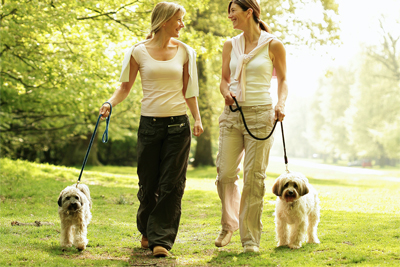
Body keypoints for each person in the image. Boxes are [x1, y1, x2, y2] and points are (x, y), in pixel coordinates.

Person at [99, 2, 203, 258]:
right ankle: (147, 228)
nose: (182, 24)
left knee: (171, 184)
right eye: (179, 19)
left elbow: (190, 90)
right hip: (150, 126)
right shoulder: (137, 52)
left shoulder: (186, 51)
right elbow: (124, 87)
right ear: (165, 20)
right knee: (148, 183)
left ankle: (161, 241)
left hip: (178, 125)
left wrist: (197, 118)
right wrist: (109, 103)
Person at [215, 0, 288, 253]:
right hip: (232, 115)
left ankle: (250, 240)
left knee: (254, 180)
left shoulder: (273, 44)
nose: (229, 16)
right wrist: (226, 92)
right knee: (224, 174)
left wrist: (281, 103)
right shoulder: (229, 45)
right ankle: (229, 224)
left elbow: (284, 80)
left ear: (249, 12)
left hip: (261, 116)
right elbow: (224, 80)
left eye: (233, 11)